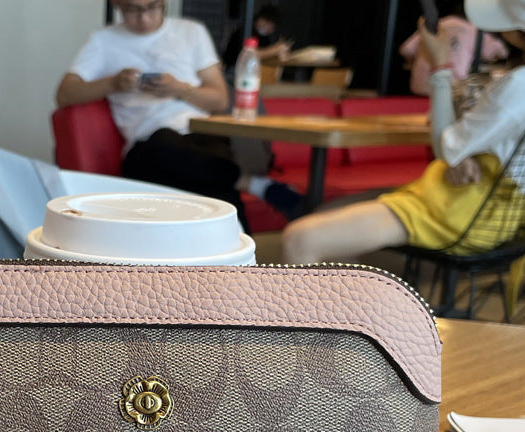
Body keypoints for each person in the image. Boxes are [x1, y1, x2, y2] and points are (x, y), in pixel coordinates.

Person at [282, 0, 525, 266]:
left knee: (299, 239)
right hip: (486, 208)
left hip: (463, 210)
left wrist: (440, 65)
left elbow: (447, 148)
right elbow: (467, 145)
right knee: (331, 216)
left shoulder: (517, 85)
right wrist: (465, 152)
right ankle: (344, 293)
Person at [55, 0, 303, 233]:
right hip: (147, 146)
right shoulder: (103, 41)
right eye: (132, 10)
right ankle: (252, 185)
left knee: (209, 177)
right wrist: (113, 83)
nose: (144, 18)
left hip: (199, 136)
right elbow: (64, 94)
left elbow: (220, 100)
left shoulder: (191, 32)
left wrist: (179, 89)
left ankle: (241, 247)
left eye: (153, 7)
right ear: (116, 4)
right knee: (167, 147)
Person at [399, 1, 508, 95]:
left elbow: (406, 49)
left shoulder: (439, 23)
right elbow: (501, 52)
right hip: (449, 90)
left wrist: (414, 61)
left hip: (418, 88)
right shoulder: (474, 30)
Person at [221, 4, 292, 73]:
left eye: (273, 28)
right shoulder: (245, 31)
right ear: (261, 19)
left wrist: (279, 53)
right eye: (270, 25)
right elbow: (249, 54)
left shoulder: (265, 38)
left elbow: (264, 56)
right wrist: (274, 50)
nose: (271, 30)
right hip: (233, 70)